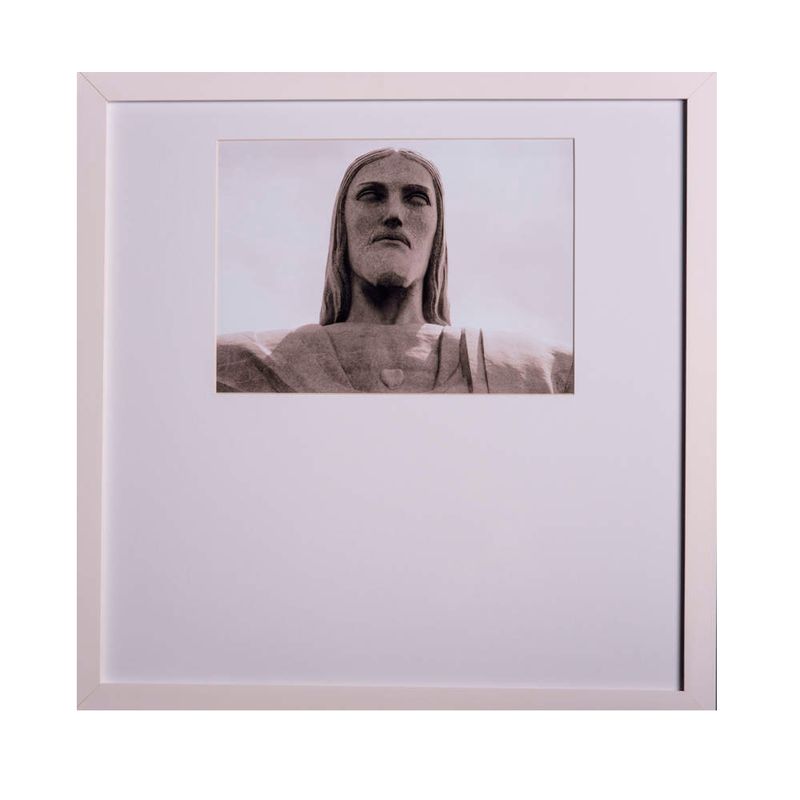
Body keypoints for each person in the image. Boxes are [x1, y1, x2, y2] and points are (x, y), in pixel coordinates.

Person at [217, 148, 573, 393]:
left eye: (416, 199)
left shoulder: (533, 369)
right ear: (342, 225)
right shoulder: (246, 362)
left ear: (437, 233)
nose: (394, 215)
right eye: (372, 195)